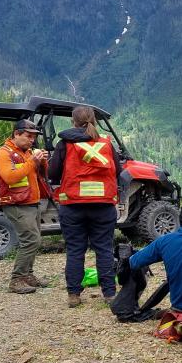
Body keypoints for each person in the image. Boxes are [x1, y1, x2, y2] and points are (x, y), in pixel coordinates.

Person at [47, 105, 122, 307]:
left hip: (72, 206)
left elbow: (53, 174)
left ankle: (74, 295)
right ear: (94, 122)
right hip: (103, 206)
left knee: (75, 251)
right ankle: (109, 294)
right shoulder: (106, 144)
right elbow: (118, 171)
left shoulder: (64, 144)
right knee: (104, 250)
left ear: (73, 122)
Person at [0, 119, 51, 294]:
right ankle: (17, 279)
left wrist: (42, 162)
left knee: (34, 240)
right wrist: (33, 161)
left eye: (33, 137)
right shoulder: (3, 154)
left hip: (31, 203)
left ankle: (28, 275)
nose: (32, 140)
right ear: (16, 134)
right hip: (16, 204)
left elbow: (37, 174)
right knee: (31, 240)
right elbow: (10, 177)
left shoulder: (27, 152)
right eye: (28, 136)